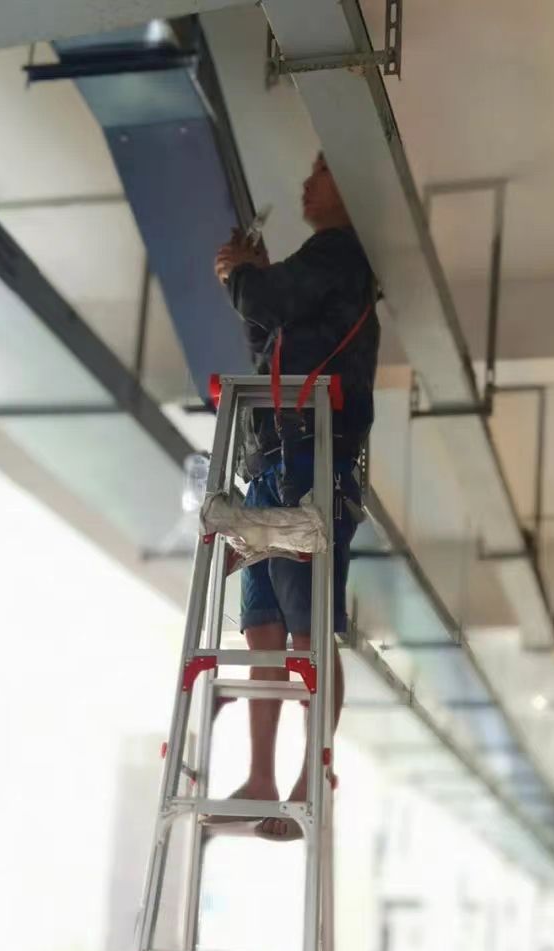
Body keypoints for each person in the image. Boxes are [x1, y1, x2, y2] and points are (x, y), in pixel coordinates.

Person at [213, 152, 378, 840]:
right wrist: (247, 280)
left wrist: (242, 275)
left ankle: (312, 773)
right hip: (279, 456)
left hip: (313, 460)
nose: (307, 183)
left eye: (321, 170)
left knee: (307, 627)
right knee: (265, 624)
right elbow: (266, 339)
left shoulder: (342, 254)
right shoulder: (322, 264)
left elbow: (267, 302)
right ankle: (259, 775)